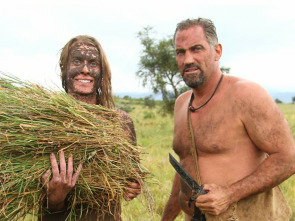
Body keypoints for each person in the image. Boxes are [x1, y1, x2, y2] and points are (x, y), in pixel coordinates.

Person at [161, 18, 295, 221]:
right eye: (181, 52)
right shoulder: (182, 104)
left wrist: (229, 194)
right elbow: (186, 165)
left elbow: (288, 159)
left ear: (217, 51)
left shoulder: (246, 94)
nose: (188, 59)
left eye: (196, 49)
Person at [40, 35, 141, 221]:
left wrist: (132, 186)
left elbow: (133, 177)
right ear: (64, 68)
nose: (85, 70)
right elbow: (31, 195)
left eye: (93, 63)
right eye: (77, 61)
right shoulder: (45, 122)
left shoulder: (120, 122)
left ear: (102, 71)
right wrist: (55, 198)